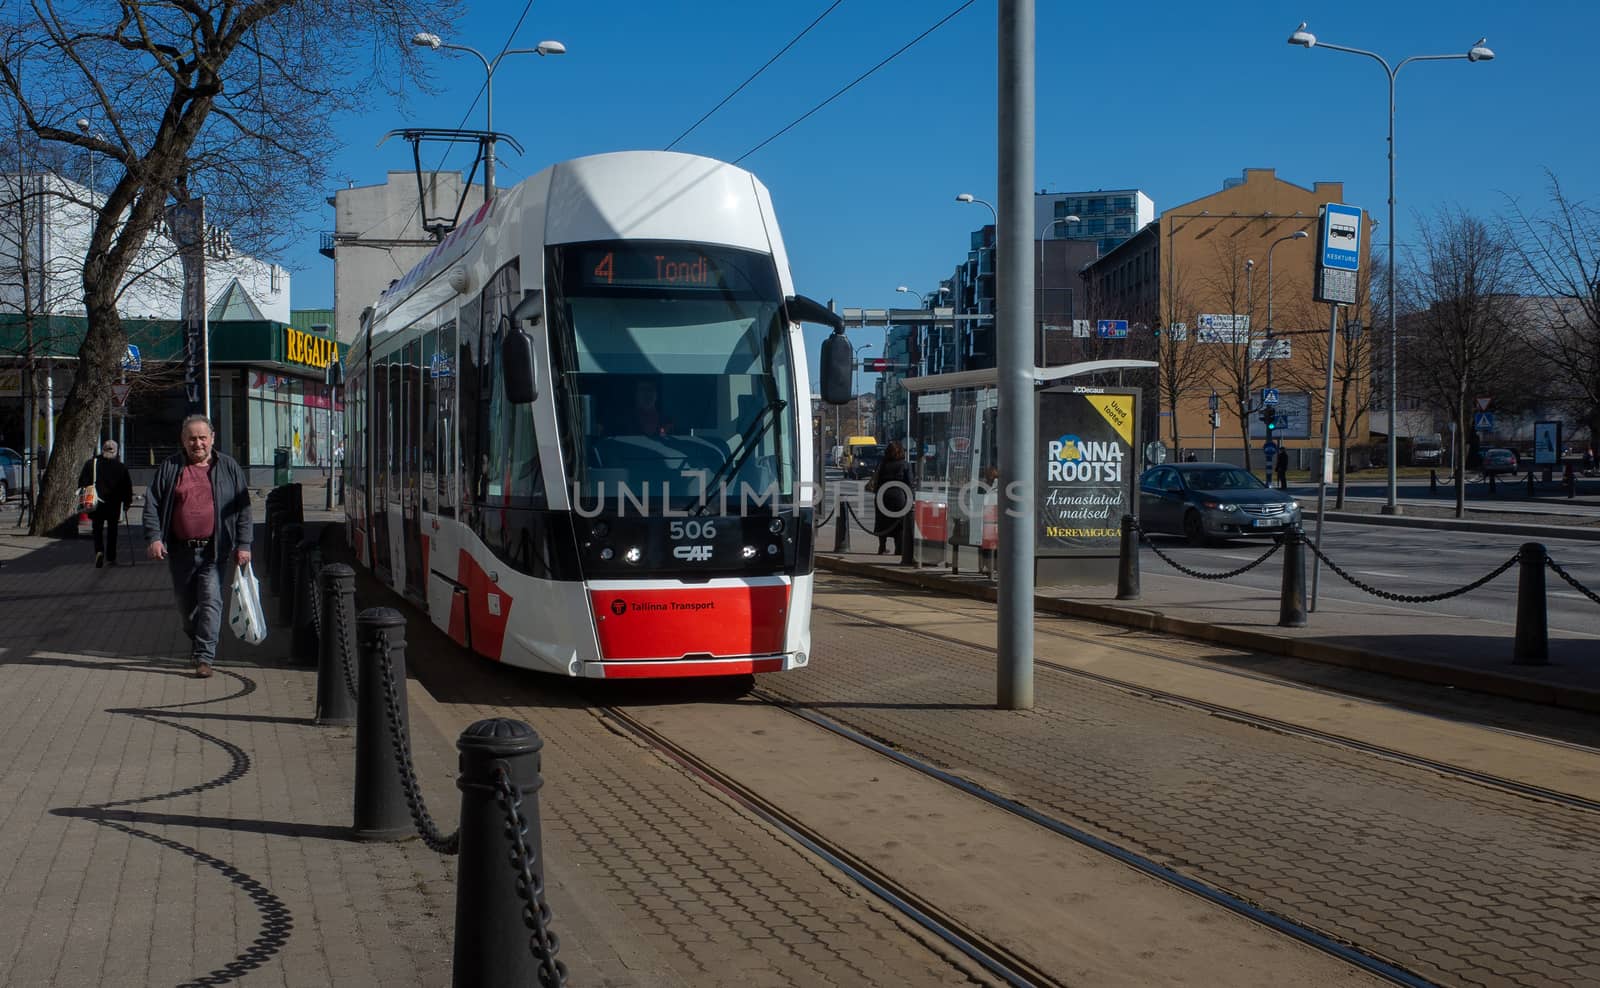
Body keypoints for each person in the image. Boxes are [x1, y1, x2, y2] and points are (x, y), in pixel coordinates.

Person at [143, 415, 253, 679]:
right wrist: (154, 537)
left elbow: (244, 509)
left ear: (212, 438)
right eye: (192, 438)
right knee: (186, 607)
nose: (198, 443)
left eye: (202, 437)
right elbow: (152, 504)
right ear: (183, 440)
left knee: (211, 601)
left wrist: (244, 544)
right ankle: (196, 640)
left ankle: (205, 656)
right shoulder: (170, 467)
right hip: (180, 551)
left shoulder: (228, 467)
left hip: (215, 550)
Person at [77, 439, 133, 567]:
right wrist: (127, 502)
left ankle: (99, 551)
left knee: (97, 529)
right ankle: (111, 558)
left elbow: (82, 482)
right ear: (116, 451)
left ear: (102, 449)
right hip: (114, 504)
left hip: (96, 503)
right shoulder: (121, 467)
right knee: (112, 530)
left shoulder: (92, 464)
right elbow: (127, 487)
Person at [870, 441, 913, 555]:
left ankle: (882, 547)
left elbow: (877, 481)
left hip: (882, 496)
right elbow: (909, 484)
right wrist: (912, 499)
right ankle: (899, 548)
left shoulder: (882, 464)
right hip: (899, 496)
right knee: (899, 524)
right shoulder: (905, 464)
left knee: (882, 522)